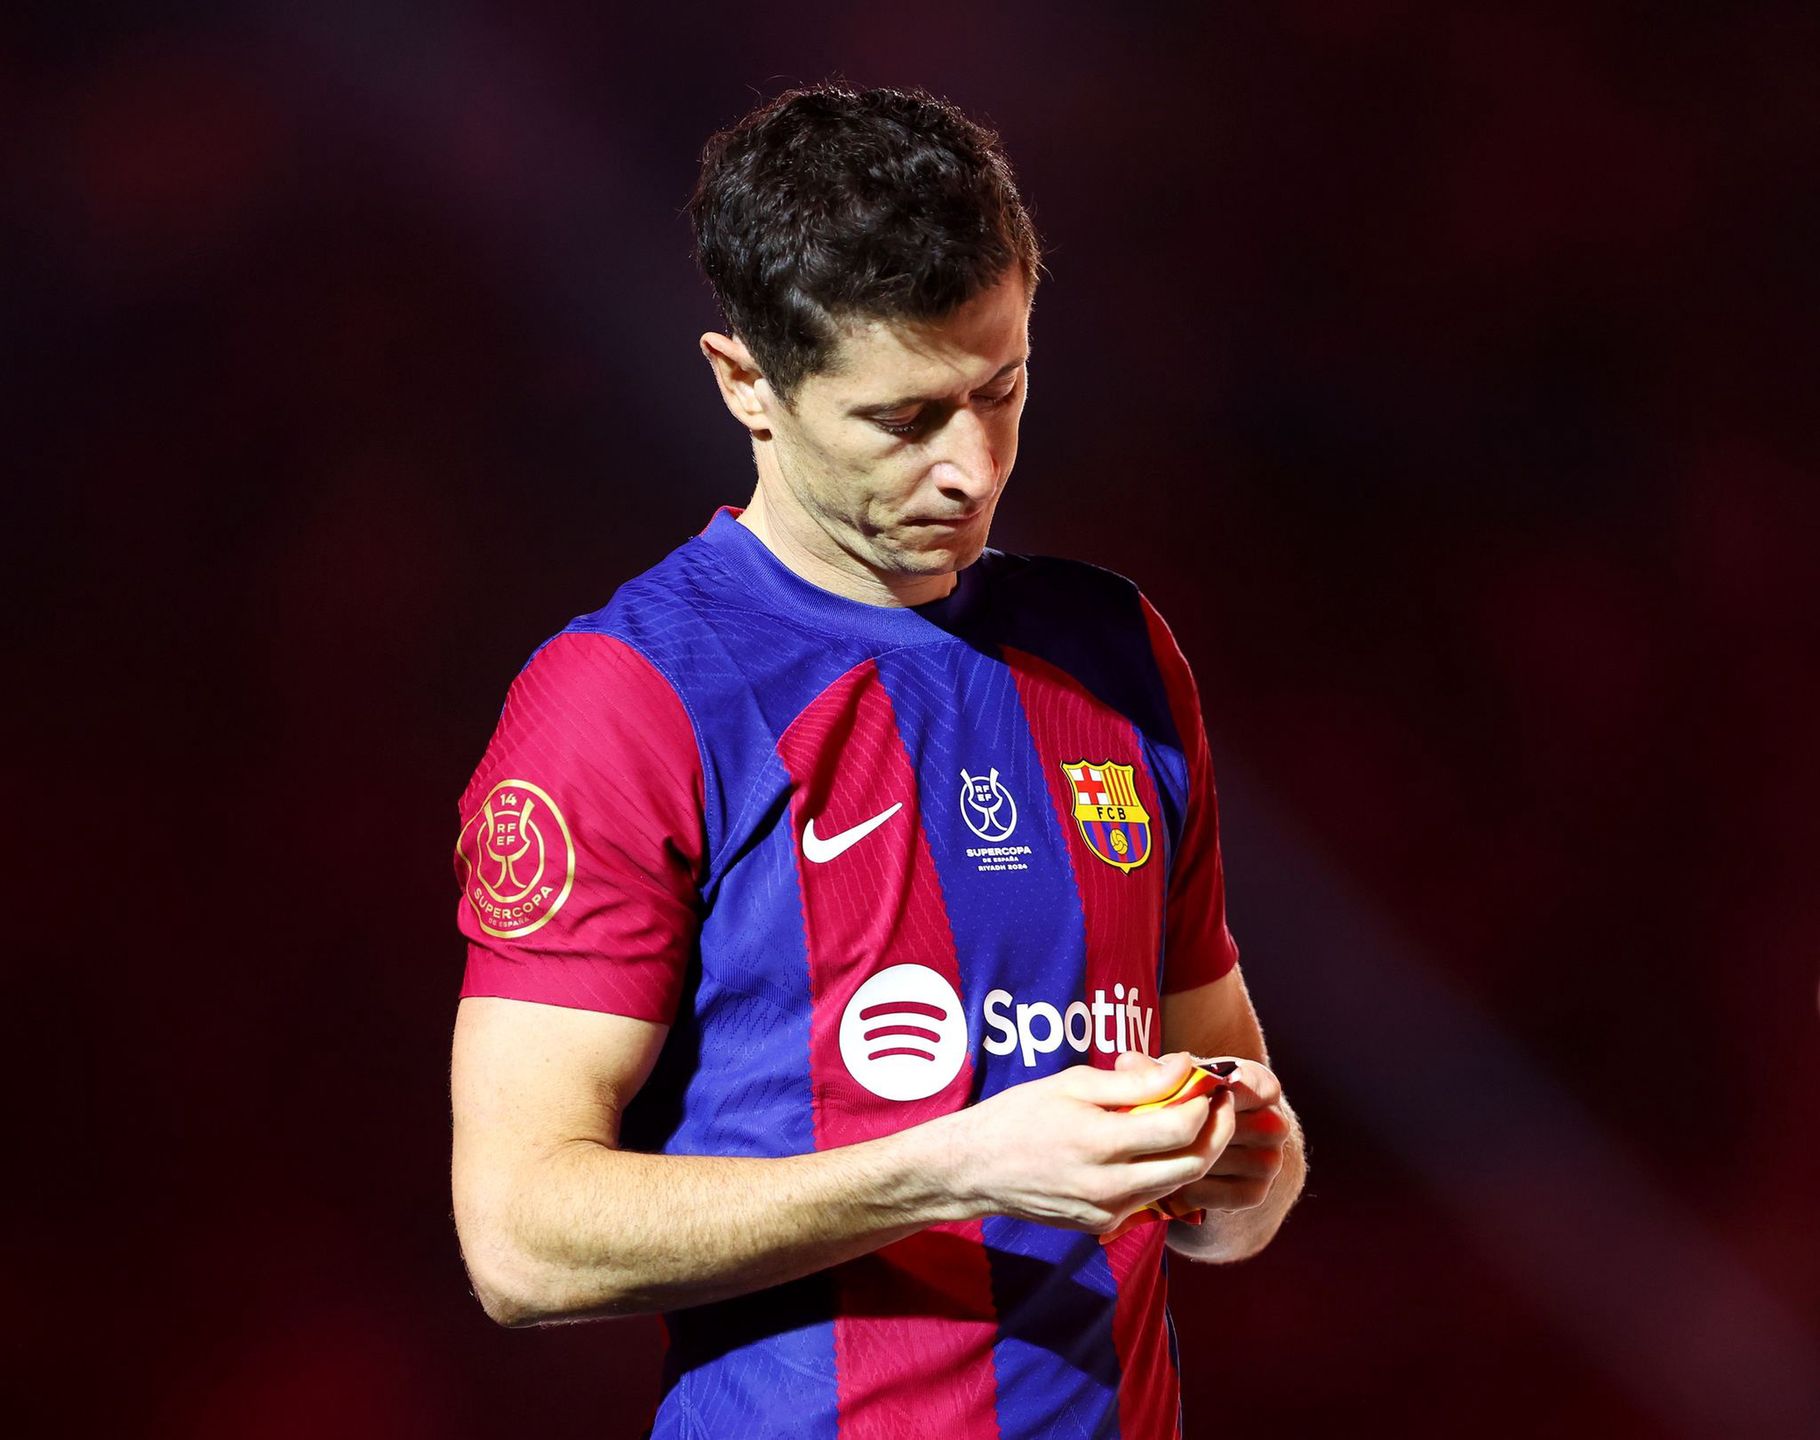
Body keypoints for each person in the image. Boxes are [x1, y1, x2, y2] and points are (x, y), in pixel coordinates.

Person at [450, 83, 1306, 1439]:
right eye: (905, 419)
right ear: (749, 384)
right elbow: (520, 1239)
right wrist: (953, 1166)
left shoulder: (1115, 654)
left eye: (1002, 388)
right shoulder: (629, 698)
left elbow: (1217, 1127)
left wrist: (1242, 1170)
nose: (972, 466)